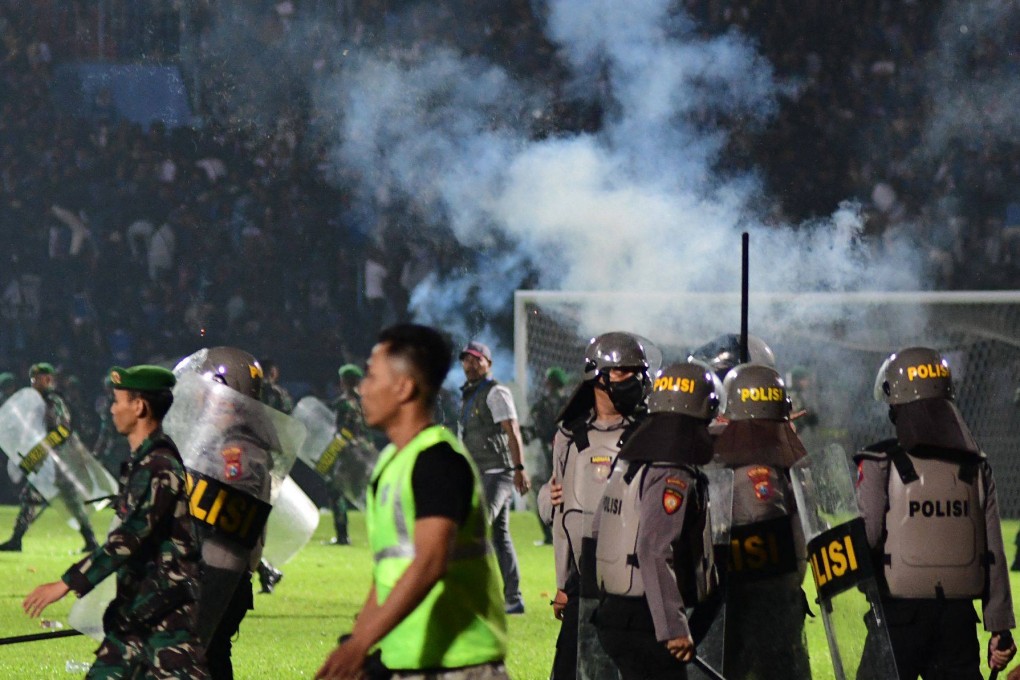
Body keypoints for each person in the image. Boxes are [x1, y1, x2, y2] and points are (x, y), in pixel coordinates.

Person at [315, 323, 508, 680]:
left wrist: (360, 644)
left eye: (372, 376)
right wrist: (356, 644)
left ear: (403, 388)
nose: (362, 388)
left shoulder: (438, 460)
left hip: (461, 667)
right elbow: (387, 573)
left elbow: (430, 561)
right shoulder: (390, 463)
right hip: (407, 664)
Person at [23, 364, 209, 678]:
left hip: (166, 616)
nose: (112, 408)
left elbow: (129, 537)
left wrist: (66, 584)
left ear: (139, 407)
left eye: (118, 400)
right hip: (136, 612)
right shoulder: (143, 462)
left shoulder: (159, 466)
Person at [855, 346, 1016, 679]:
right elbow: (993, 553)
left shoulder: (879, 461)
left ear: (896, 405)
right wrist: (999, 626)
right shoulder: (977, 467)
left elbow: (866, 537)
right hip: (958, 622)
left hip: (897, 619)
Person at [591, 361, 720, 680]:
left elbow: (599, 527)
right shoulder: (671, 471)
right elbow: (652, 549)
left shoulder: (632, 462)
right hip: (646, 620)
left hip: (615, 613)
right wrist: (673, 629)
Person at [537, 332, 652, 680]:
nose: (634, 380)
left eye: (638, 372)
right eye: (624, 371)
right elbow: (559, 509)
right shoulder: (570, 436)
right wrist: (563, 583)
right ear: (597, 376)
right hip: (583, 579)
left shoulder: (649, 431)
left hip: (636, 579)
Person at [713, 363, 810, 679]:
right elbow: (770, 521)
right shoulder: (765, 469)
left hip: (739, 595)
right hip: (764, 597)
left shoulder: (724, 460)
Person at [185, 347, 276, 680]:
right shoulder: (221, 442)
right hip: (208, 572)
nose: (200, 399)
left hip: (219, 577)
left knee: (207, 658)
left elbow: (231, 518)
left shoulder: (240, 450)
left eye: (207, 390)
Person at [458, 340, 530, 615]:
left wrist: (519, 468)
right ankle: (513, 599)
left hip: (498, 472)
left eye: (476, 359)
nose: (470, 364)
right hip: (480, 472)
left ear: (488, 363)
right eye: (466, 359)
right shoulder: (469, 394)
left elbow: (512, 430)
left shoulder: (496, 392)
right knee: (500, 536)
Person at [0, 362, 100, 552]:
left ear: (49, 379)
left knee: (65, 499)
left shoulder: (52, 401)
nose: (36, 383)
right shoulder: (33, 403)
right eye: (34, 379)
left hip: (57, 459)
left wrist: (38, 452)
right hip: (46, 460)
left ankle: (90, 539)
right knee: (37, 497)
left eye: (40, 379)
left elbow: (63, 431)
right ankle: (90, 540)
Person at [524, 366, 568, 545]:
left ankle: (549, 534)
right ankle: (564, 533)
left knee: (540, 489)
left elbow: (530, 430)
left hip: (545, 453)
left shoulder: (541, 405)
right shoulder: (570, 403)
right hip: (567, 454)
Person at [326, 363, 366, 546]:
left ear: (344, 381)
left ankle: (342, 535)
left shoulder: (342, 404)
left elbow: (340, 432)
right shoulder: (363, 403)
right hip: (363, 452)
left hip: (345, 453)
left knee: (336, 491)